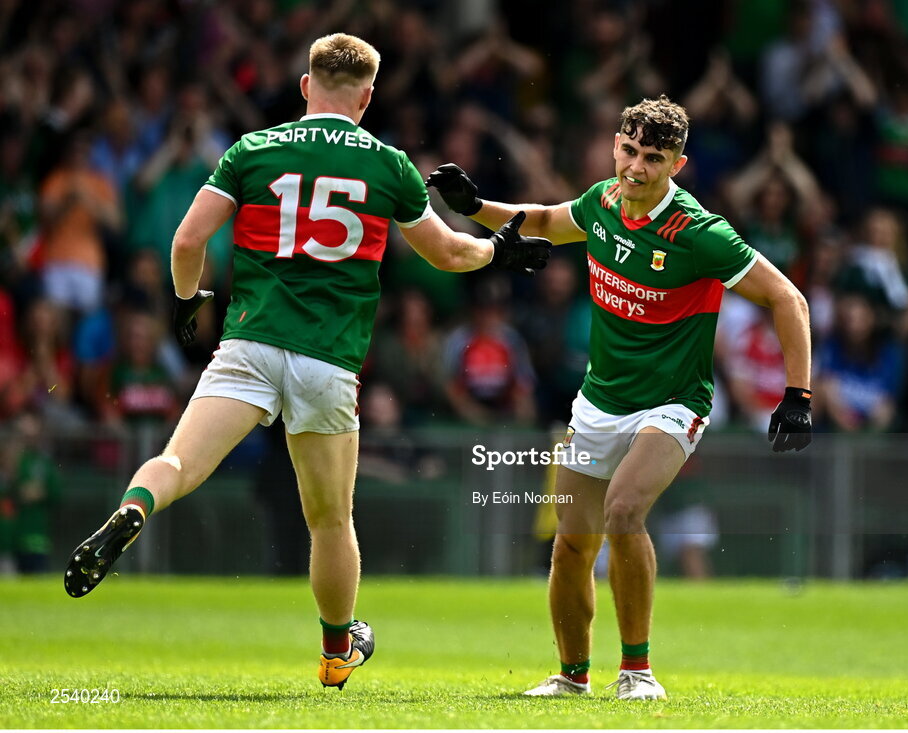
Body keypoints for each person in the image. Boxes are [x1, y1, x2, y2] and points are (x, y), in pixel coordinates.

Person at [63, 32, 551, 692]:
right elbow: (447, 254)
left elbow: (186, 240)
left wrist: (187, 305)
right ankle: (334, 650)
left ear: (304, 86)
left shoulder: (253, 149)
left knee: (179, 462)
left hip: (250, 344)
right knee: (329, 519)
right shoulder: (388, 164)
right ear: (368, 96)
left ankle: (135, 508)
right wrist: (499, 252)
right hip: (328, 362)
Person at [427, 95, 811, 700]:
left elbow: (788, 298)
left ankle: (637, 672)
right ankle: (571, 677)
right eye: (628, 151)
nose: (635, 167)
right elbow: (550, 220)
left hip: (673, 402)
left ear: (677, 165)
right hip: (598, 401)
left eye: (652, 158)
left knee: (624, 512)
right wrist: (477, 208)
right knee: (571, 541)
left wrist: (798, 393)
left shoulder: (699, 232)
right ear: (615, 144)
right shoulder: (604, 201)